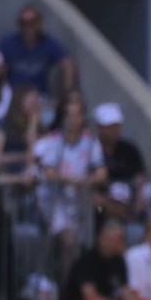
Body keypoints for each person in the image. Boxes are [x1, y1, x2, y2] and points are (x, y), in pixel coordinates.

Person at [35, 94, 108, 285]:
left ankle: (74, 288)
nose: (72, 119)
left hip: (79, 202)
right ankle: (65, 287)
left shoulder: (90, 141)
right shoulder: (55, 141)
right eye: (69, 114)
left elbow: (101, 172)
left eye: (76, 115)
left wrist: (85, 180)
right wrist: (67, 180)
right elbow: (49, 172)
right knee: (68, 242)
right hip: (57, 202)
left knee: (79, 248)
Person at [93, 102, 147, 238]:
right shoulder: (92, 151)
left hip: (129, 205)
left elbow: (139, 177)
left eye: (117, 125)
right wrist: (107, 204)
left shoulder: (129, 150)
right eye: (110, 126)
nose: (115, 130)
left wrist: (139, 198)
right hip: (100, 209)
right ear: (100, 128)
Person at [0, 5, 77, 97]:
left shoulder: (47, 43)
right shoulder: (8, 43)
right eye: (24, 23)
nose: (28, 27)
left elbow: (68, 64)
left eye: (32, 22)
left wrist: (65, 93)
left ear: (39, 23)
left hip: (39, 96)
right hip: (12, 95)